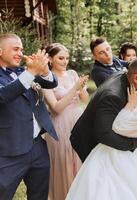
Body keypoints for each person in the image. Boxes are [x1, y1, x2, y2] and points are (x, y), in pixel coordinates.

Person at [0, 33, 58, 200]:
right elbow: (4, 95)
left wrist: (44, 68)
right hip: (9, 148)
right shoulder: (27, 72)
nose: (20, 53)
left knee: (39, 194)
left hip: (37, 146)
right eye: (15, 49)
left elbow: (51, 82)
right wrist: (32, 71)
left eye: (22, 49)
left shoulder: (23, 71)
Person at [70, 56, 137, 162]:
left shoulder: (123, 75)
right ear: (136, 78)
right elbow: (104, 134)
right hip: (88, 141)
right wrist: (135, 142)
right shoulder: (113, 96)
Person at [42, 43, 89, 200]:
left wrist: (81, 87)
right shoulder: (45, 80)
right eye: (61, 58)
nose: (65, 61)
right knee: (65, 164)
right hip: (60, 125)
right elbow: (56, 108)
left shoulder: (72, 73)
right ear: (49, 59)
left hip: (78, 120)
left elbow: (85, 99)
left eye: (67, 58)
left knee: (81, 161)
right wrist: (74, 88)